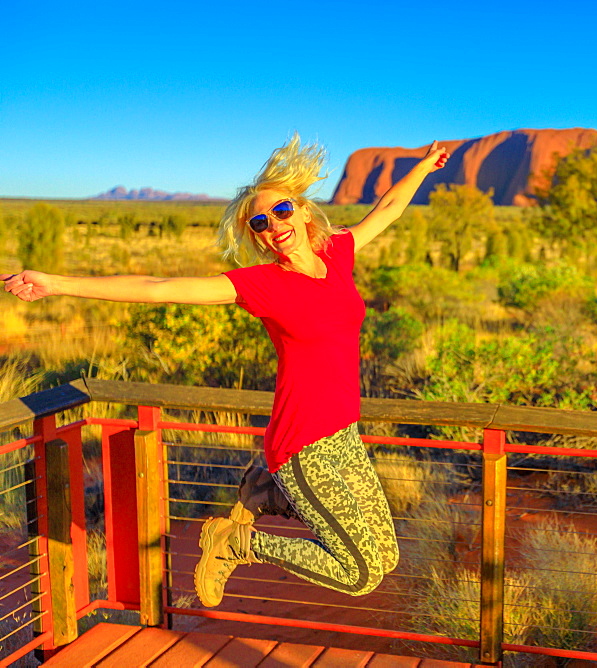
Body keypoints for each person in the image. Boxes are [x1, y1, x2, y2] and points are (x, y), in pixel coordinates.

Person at [2, 134, 450, 607]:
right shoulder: (262, 285)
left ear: (300, 209)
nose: (274, 226)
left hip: (344, 435)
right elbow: (159, 287)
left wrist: (423, 166)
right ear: (256, 236)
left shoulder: (336, 252)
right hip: (302, 444)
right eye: (260, 223)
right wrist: (57, 283)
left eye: (280, 212)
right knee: (360, 574)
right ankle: (239, 543)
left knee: (385, 556)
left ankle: (274, 496)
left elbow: (388, 209)